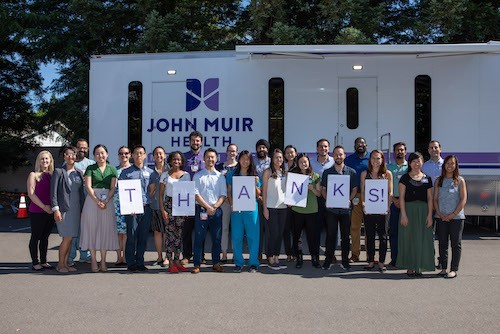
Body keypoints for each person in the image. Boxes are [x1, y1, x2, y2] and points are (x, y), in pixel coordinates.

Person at [80, 144, 119, 272]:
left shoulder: (112, 169)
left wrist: (106, 200)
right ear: (94, 155)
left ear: (107, 154)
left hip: (107, 201)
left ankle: (103, 261)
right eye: (97, 153)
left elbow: (113, 187)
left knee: (104, 231)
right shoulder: (90, 168)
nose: (100, 155)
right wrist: (97, 200)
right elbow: (88, 187)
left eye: (102, 153)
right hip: (92, 202)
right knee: (92, 229)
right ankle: (93, 261)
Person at [397, 152, 435, 277]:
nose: (416, 164)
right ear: (409, 163)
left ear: (422, 162)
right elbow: (401, 198)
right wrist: (403, 214)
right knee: (409, 239)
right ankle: (410, 266)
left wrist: (430, 215)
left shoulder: (427, 178)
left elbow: (430, 198)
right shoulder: (404, 178)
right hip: (408, 211)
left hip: (424, 211)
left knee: (422, 239)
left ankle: (420, 266)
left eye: (418, 161)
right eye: (413, 161)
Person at [321, 146, 357, 270]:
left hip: (346, 210)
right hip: (331, 209)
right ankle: (328, 259)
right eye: (336, 154)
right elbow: (323, 190)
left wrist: (349, 199)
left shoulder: (351, 172)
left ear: (344, 155)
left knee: (345, 236)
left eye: (340, 154)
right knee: (330, 235)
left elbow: (354, 189)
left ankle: (345, 260)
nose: (338, 157)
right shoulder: (327, 172)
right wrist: (327, 199)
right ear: (333, 155)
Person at [191, 148, 227, 274]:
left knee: (216, 238)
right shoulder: (198, 176)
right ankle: (196, 264)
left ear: (216, 159)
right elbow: (196, 194)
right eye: (208, 157)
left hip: (216, 211)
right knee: (199, 238)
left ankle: (216, 263)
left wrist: (214, 207)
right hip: (201, 209)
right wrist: (207, 207)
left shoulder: (220, 177)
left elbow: (223, 195)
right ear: (204, 159)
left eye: (213, 157)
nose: (210, 159)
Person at [119, 145, 153, 272]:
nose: (139, 155)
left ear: (145, 155)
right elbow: (121, 191)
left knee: (143, 237)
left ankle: (140, 262)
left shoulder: (151, 172)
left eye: (141, 153)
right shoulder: (125, 172)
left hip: (146, 208)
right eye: (136, 153)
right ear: (132, 156)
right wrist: (128, 206)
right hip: (132, 209)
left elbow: (153, 190)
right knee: (132, 236)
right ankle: (131, 263)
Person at [226, 150, 261, 273]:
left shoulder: (254, 175)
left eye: (248, 159)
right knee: (236, 236)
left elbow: (258, 194)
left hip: (251, 210)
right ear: (239, 159)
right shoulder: (232, 174)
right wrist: (231, 204)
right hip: (237, 210)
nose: (245, 161)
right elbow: (229, 192)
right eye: (243, 158)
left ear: (250, 161)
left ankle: (253, 263)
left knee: (253, 237)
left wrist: (256, 184)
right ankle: (238, 262)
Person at [50, 146, 84, 273]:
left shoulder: (79, 172)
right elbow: (53, 193)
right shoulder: (58, 171)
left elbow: (81, 194)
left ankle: (66, 264)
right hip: (63, 209)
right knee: (67, 237)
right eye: (68, 154)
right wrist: (56, 209)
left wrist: (82, 210)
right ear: (64, 156)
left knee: (71, 238)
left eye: (73, 154)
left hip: (76, 209)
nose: (71, 157)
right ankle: (60, 264)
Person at [433, 155, 467, 279]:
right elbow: (435, 199)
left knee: (455, 244)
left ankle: (453, 269)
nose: (450, 166)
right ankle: (443, 268)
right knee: (442, 243)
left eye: (452, 164)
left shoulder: (460, 180)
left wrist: (453, 214)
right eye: (447, 163)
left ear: (456, 166)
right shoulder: (438, 180)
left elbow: (463, 199)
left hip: (456, 218)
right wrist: (440, 213)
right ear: (444, 165)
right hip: (441, 217)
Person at [360, 150, 393, 272]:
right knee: (370, 236)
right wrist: (363, 204)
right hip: (369, 210)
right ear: (370, 160)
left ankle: (381, 261)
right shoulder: (365, 174)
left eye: (378, 158)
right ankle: (371, 260)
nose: (375, 161)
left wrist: (387, 207)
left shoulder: (387, 174)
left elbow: (390, 192)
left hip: (383, 210)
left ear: (382, 160)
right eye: (373, 158)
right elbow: (363, 191)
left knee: (383, 237)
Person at [159, 151, 191, 273]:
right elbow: (161, 194)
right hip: (168, 205)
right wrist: (163, 210)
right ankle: (170, 261)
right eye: (174, 159)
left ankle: (177, 260)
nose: (176, 162)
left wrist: (187, 209)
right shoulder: (165, 175)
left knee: (179, 234)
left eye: (179, 160)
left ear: (182, 161)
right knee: (169, 235)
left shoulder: (186, 175)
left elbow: (188, 193)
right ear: (170, 161)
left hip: (181, 205)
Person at [290, 153, 321, 268]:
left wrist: (312, 188)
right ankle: (299, 258)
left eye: (305, 162)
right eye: (301, 162)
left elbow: (319, 194)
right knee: (297, 236)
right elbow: (290, 193)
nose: (304, 164)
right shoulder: (294, 177)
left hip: (312, 210)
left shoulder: (315, 176)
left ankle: (315, 258)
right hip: (297, 210)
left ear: (309, 162)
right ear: (298, 164)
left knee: (312, 236)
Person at [27, 150, 55, 271]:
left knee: (45, 237)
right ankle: (35, 262)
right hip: (37, 211)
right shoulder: (33, 175)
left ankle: (44, 261)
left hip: (50, 212)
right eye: (42, 159)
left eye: (47, 159)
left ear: (50, 161)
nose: (44, 161)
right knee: (36, 237)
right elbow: (31, 194)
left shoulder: (53, 175)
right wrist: (44, 207)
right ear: (39, 161)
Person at [68, 139, 95, 265]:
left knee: (86, 230)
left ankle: (85, 255)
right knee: (73, 231)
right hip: (74, 203)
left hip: (89, 202)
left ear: (88, 149)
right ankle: (70, 256)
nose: (82, 150)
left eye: (84, 147)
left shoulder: (92, 164)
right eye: (79, 147)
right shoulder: (69, 163)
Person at [181, 131, 205, 265]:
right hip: (187, 198)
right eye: (193, 140)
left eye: (197, 141)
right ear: (189, 142)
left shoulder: (205, 156)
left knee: (201, 228)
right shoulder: (184, 157)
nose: (195, 143)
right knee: (187, 229)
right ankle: (186, 255)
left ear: (201, 142)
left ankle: (200, 255)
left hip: (202, 198)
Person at [344, 137, 369, 263]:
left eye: (362, 143)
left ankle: (370, 255)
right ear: (354, 146)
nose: (360, 145)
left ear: (366, 145)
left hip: (371, 196)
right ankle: (355, 254)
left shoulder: (372, 158)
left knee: (370, 227)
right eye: (358, 143)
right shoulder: (348, 160)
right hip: (355, 196)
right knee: (355, 226)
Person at [310, 139, 335, 262]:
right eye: (320, 147)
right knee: (316, 229)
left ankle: (331, 254)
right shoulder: (311, 163)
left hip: (332, 199)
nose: (323, 149)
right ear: (317, 148)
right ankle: (315, 255)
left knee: (331, 230)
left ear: (329, 148)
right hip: (316, 199)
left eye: (325, 147)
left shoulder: (334, 162)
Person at [262, 148, 288, 270]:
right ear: (272, 159)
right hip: (271, 207)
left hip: (283, 207)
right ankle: (270, 257)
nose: (279, 159)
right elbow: (264, 191)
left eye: (281, 157)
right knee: (273, 233)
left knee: (279, 234)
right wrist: (265, 208)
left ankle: (277, 256)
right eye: (277, 157)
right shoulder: (267, 172)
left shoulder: (285, 172)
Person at [215, 143, 239, 263]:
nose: (232, 153)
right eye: (230, 151)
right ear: (226, 152)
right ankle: (224, 253)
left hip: (238, 202)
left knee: (236, 229)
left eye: (234, 151)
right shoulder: (219, 166)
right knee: (224, 228)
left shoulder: (241, 167)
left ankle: (236, 253)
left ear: (237, 153)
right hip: (224, 201)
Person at [386, 142, 408, 267]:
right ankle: (394, 258)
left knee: (406, 232)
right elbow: (385, 185)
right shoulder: (388, 167)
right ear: (394, 152)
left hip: (407, 202)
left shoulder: (410, 167)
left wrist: (403, 200)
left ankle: (406, 257)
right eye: (397, 150)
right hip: (393, 202)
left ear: (405, 152)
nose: (399, 152)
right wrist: (393, 199)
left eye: (402, 150)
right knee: (393, 232)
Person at [148, 146, 169, 267]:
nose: (159, 156)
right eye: (156, 154)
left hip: (168, 206)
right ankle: (159, 257)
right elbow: (150, 191)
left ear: (165, 155)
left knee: (167, 232)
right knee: (157, 232)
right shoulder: (151, 172)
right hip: (155, 205)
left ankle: (167, 257)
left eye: (161, 154)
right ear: (153, 157)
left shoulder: (170, 170)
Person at [113, 146, 131, 265]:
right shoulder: (114, 170)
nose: (123, 155)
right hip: (116, 204)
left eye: (126, 153)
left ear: (129, 155)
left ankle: (125, 256)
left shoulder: (133, 169)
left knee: (126, 232)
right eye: (121, 153)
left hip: (129, 204)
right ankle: (118, 256)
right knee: (118, 232)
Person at [254, 139, 271, 262]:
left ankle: (268, 252)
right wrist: (258, 196)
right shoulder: (252, 162)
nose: (261, 149)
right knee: (258, 228)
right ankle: (258, 252)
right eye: (259, 147)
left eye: (264, 147)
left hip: (270, 198)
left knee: (269, 228)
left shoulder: (272, 161)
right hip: (256, 198)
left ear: (267, 149)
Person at [283, 145, 298, 262]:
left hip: (297, 202)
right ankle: (288, 252)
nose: (290, 154)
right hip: (284, 203)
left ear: (296, 153)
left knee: (296, 229)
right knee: (286, 229)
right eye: (287, 153)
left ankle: (296, 252)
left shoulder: (300, 166)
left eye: (292, 152)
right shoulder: (281, 166)